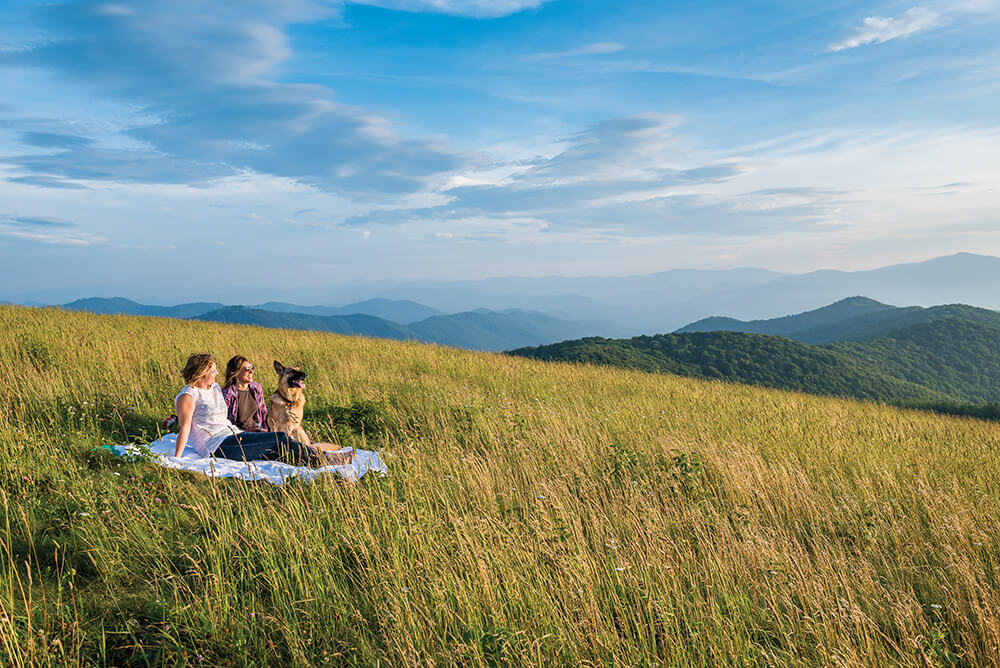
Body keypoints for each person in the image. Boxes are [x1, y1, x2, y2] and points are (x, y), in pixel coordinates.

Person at [173, 352, 330, 465]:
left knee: (277, 451)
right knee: (280, 438)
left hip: (232, 435)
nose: (217, 373)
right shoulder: (188, 395)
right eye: (213, 370)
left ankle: (317, 460)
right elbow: (185, 427)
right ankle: (325, 459)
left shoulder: (213, 387)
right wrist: (176, 459)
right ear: (202, 372)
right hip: (217, 445)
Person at [220, 355, 268, 432]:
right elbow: (223, 421)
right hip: (239, 435)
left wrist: (266, 430)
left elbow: (263, 413)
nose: (251, 371)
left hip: (258, 432)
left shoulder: (256, 388)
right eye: (247, 369)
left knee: (282, 437)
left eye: (252, 368)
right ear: (236, 373)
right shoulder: (228, 393)